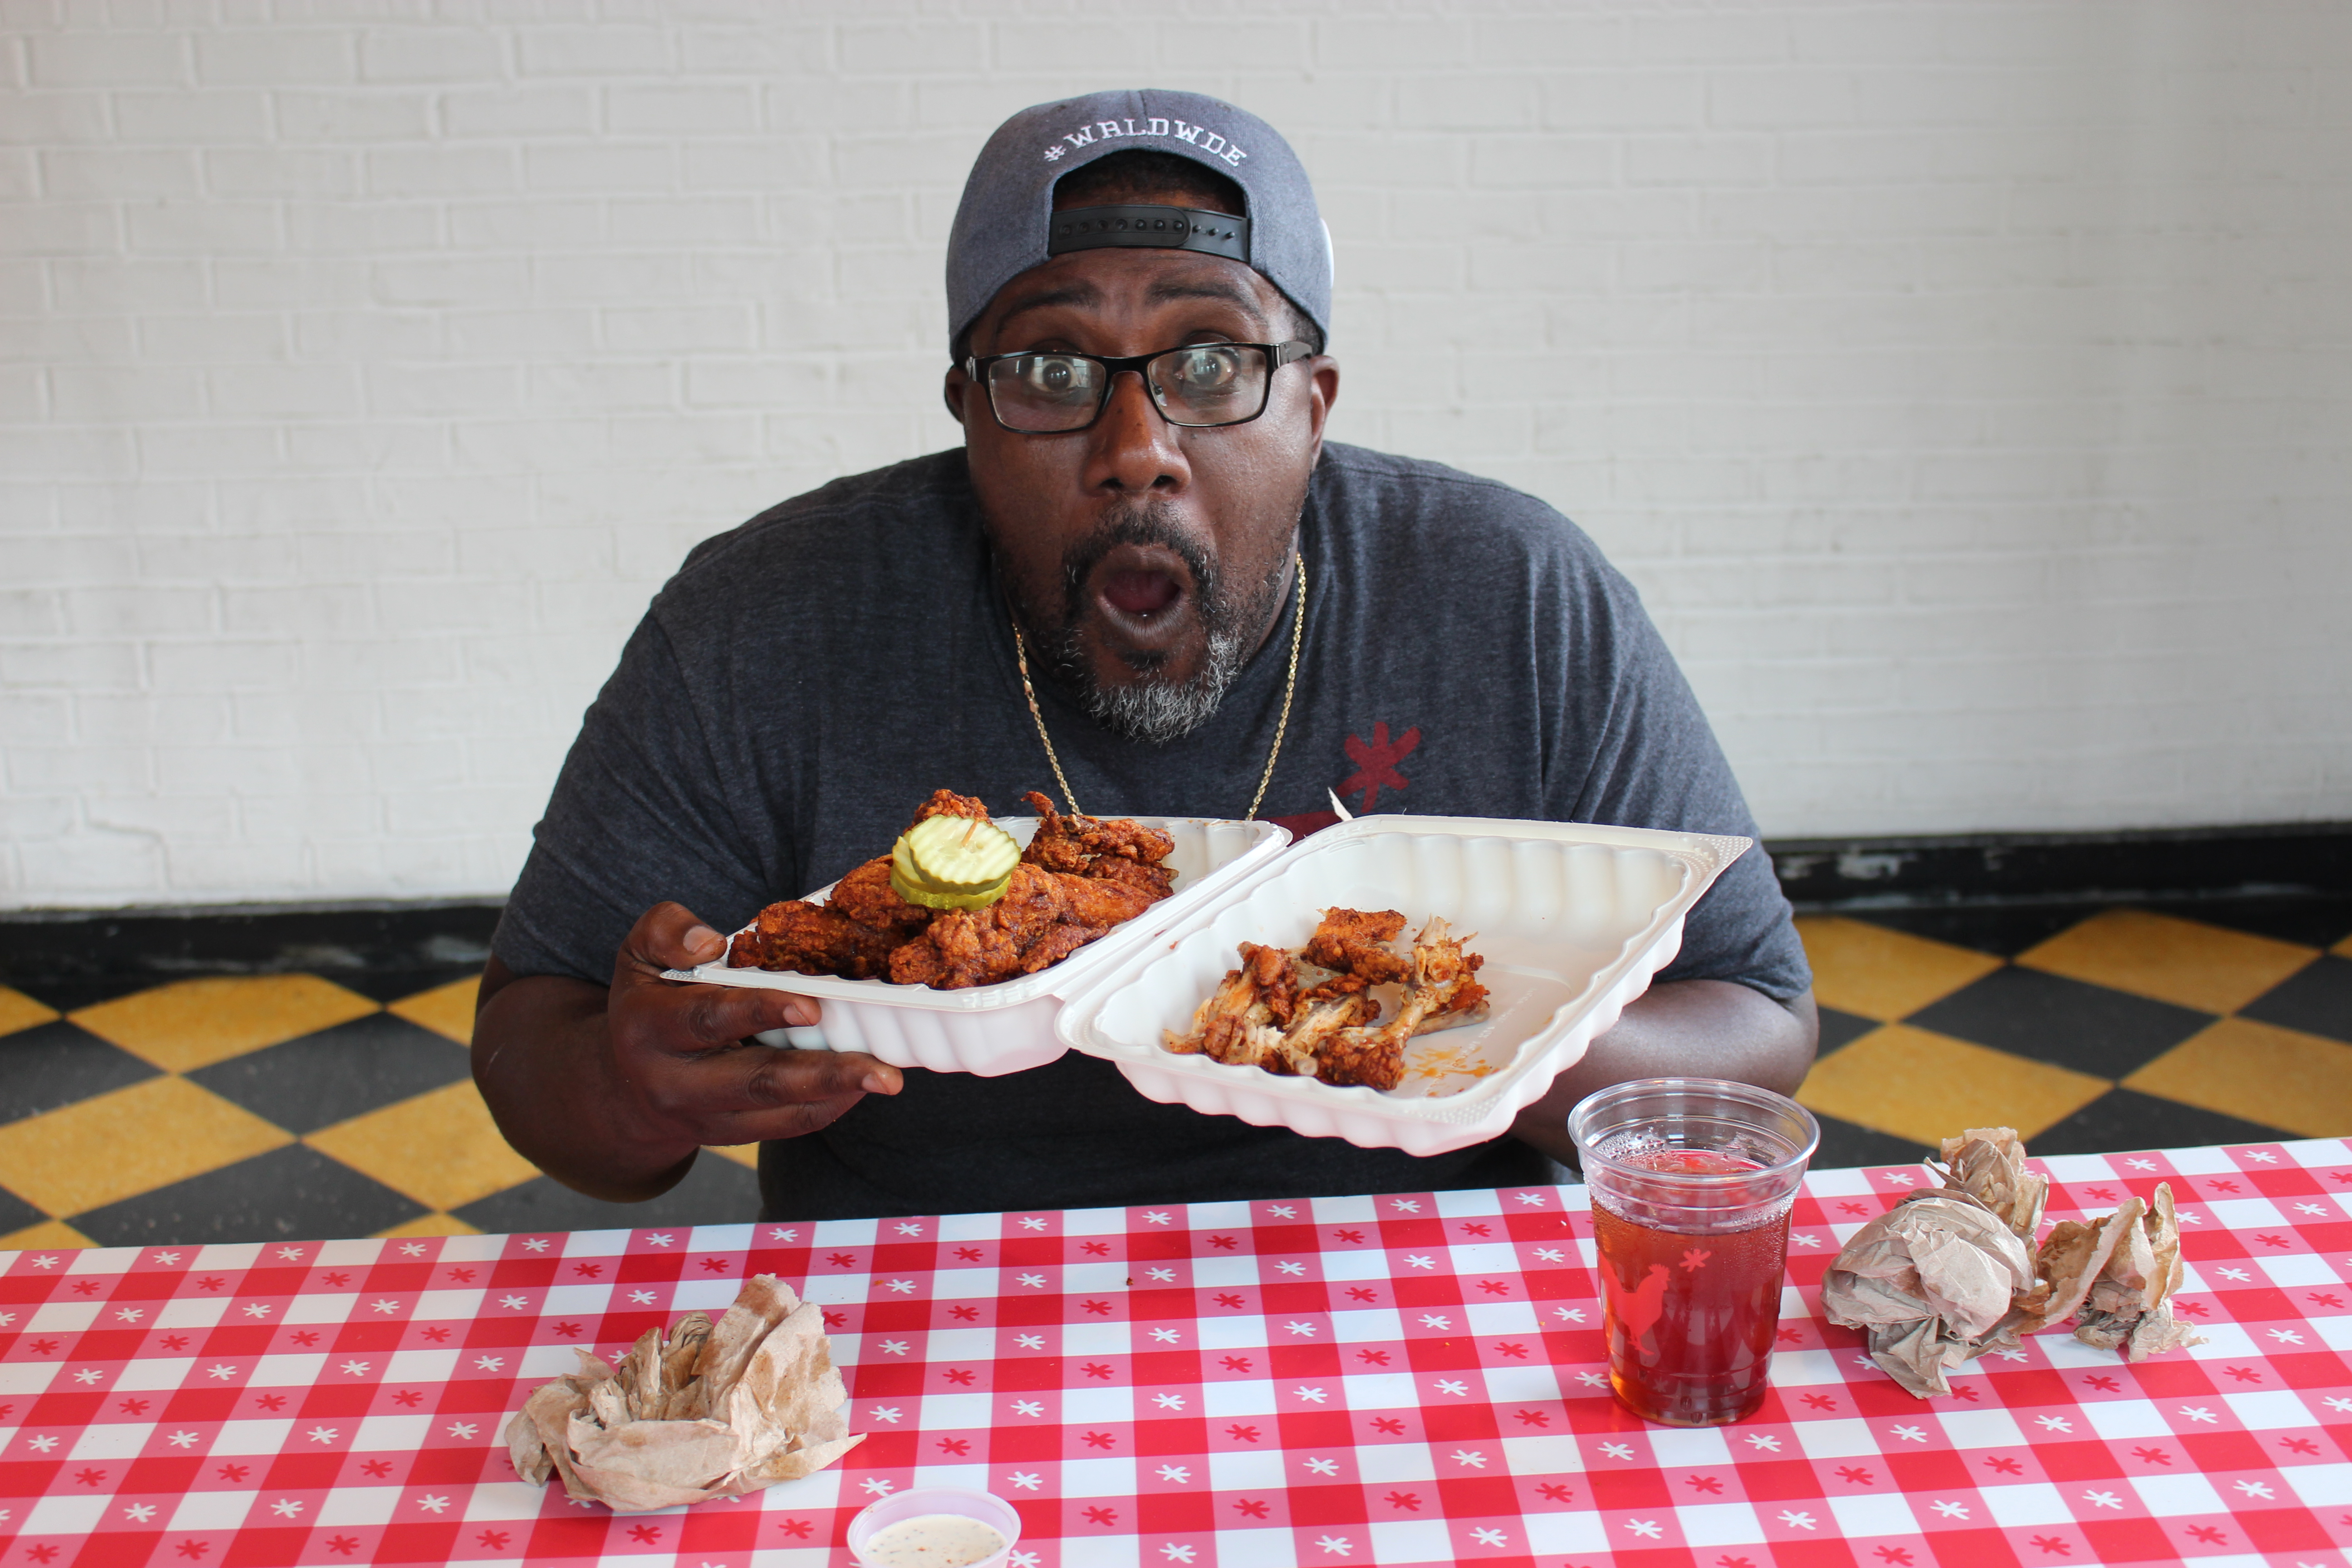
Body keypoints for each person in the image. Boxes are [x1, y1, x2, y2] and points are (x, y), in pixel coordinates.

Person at [471, 89, 1817, 1221]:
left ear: (1314, 404)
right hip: (912, 1316)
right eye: (1052, 370)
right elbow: (537, 1062)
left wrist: (1509, 1035)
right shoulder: (766, 615)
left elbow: (1758, 1028)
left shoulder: (1512, 595)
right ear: (967, 413)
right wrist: (631, 1088)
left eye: (1214, 359)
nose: (1136, 448)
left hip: (1413, 1310)